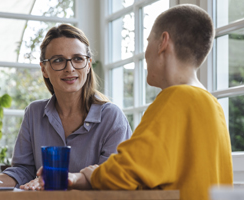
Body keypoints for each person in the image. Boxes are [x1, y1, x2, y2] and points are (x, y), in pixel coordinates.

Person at [38, 4, 233, 200]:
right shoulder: (211, 104)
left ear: (163, 42)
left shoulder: (175, 99)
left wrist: (80, 176)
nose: (145, 53)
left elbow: (124, 173)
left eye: (148, 41)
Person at [0, 24, 132, 189]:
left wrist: (63, 179)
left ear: (88, 65)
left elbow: (111, 179)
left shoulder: (112, 117)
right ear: (44, 69)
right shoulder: (34, 113)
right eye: (58, 60)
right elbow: (22, 171)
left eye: (78, 59)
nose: (70, 68)